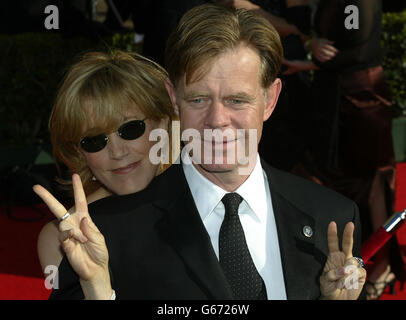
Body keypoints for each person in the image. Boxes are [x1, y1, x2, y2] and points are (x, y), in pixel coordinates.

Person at [34, 4, 366, 300]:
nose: (217, 121)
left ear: (269, 99)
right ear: (173, 98)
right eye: (198, 99)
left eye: (237, 100)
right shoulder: (107, 235)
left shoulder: (332, 218)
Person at [283, 0, 404, 299]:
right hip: (334, 97)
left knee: (373, 178)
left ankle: (385, 264)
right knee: (325, 173)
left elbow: (360, 52)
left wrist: (311, 60)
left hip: (362, 97)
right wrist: (315, 45)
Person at [37, 50, 176, 276]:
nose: (117, 152)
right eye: (94, 140)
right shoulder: (60, 239)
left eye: (130, 128)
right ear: (80, 152)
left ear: (162, 125)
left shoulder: (208, 201)